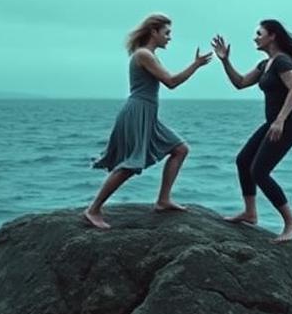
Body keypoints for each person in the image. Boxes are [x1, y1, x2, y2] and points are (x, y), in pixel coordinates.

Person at [85, 13, 212, 230]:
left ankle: (163, 200)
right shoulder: (144, 55)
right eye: (167, 33)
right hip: (137, 112)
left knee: (180, 149)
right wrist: (196, 65)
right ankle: (93, 209)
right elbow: (171, 82)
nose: (169, 38)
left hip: (148, 113)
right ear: (154, 32)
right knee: (131, 164)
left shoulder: (148, 55)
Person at [211, 19, 292, 242]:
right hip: (274, 122)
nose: (255, 37)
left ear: (272, 36)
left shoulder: (283, 61)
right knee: (243, 160)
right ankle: (250, 212)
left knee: (260, 172)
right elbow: (241, 83)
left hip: (288, 124)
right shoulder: (266, 65)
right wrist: (225, 61)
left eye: (259, 33)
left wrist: (280, 120)